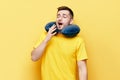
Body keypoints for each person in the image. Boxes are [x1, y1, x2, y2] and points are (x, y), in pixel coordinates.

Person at [31, 6, 88, 80]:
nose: (60, 18)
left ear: (71, 21)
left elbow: (82, 69)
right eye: (58, 16)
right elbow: (34, 57)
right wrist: (46, 39)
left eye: (64, 16)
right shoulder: (45, 36)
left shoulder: (78, 41)